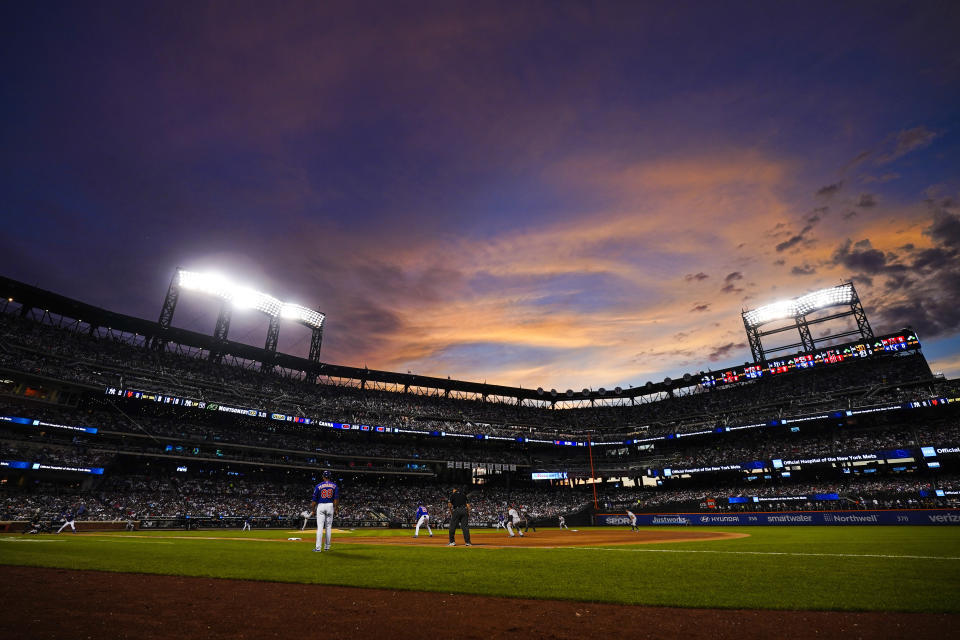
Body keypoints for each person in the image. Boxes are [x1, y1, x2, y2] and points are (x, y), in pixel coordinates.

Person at [309, 470, 339, 553]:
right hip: (330, 505)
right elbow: (336, 499)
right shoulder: (334, 485)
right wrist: (336, 509)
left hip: (321, 505)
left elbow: (314, 500)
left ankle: (318, 548)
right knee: (328, 528)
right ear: (330, 477)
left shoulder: (318, 486)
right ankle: (327, 547)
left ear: (323, 477)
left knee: (320, 528)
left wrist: (312, 510)